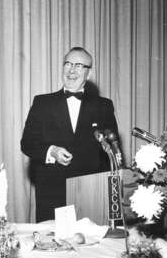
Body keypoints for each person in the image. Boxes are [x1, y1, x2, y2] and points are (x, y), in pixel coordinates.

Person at [21, 46, 119, 222]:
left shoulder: (103, 106)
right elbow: (27, 143)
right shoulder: (42, 102)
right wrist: (51, 151)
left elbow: (111, 150)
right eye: (68, 64)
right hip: (52, 193)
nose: (72, 70)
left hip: (91, 195)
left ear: (88, 74)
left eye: (79, 66)